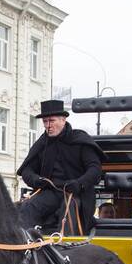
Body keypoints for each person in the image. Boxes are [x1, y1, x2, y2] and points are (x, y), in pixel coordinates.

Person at [17, 100, 105, 236]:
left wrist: (79, 183)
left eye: (51, 121)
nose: (48, 126)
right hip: (50, 192)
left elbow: (95, 169)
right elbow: (27, 170)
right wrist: (36, 180)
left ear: (63, 120)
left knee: (69, 208)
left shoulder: (80, 140)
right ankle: (25, 244)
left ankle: (66, 246)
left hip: (77, 193)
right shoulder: (41, 144)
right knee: (27, 207)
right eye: (45, 122)